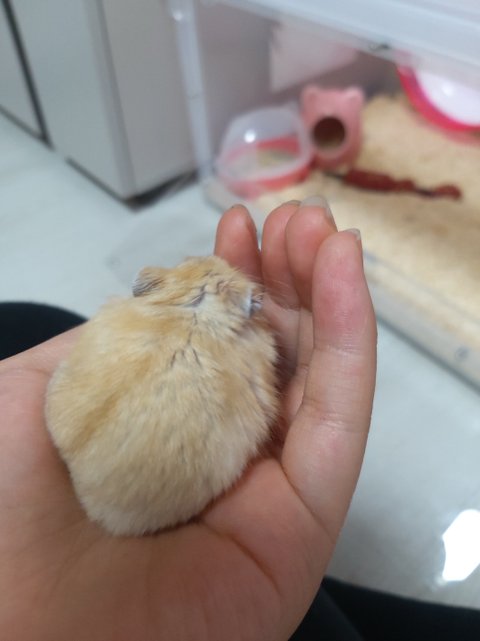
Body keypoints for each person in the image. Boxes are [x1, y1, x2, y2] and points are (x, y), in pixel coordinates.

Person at [5, 198, 474, 641]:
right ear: (248, 309)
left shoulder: (137, 303)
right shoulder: (252, 344)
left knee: (33, 323)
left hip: (95, 471)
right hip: (150, 507)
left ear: (151, 286)